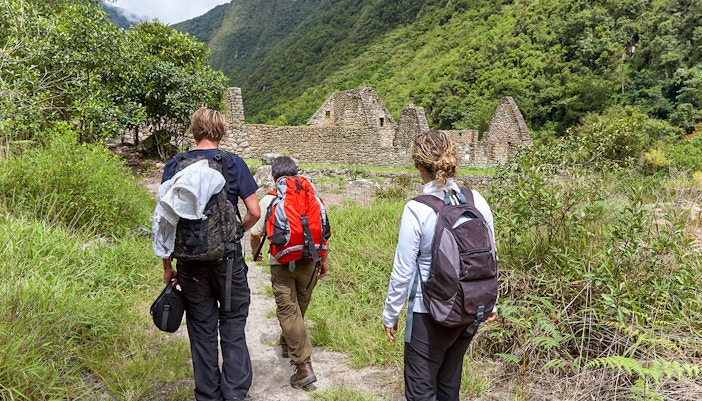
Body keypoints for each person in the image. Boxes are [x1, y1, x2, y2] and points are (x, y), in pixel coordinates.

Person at [382, 130, 497, 401]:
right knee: (448, 386)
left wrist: (391, 315)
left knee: (421, 391)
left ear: (419, 167)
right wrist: (491, 302)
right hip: (471, 309)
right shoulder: (475, 200)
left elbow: (403, 271)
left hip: (428, 313)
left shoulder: (417, 209)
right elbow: (491, 256)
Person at [160, 107, 260, 401]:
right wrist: (234, 233)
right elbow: (254, 212)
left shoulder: (174, 166)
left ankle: (207, 394)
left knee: (201, 327)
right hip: (227, 262)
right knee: (232, 321)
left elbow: (165, 222)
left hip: (189, 264)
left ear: (194, 131)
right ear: (221, 132)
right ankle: (235, 392)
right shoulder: (233, 163)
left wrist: (167, 265)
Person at [249, 155, 329, 389]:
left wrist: (256, 254)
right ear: (295, 173)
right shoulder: (314, 197)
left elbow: (255, 234)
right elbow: (323, 231)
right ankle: (288, 343)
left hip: (282, 263)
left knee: (288, 310)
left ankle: (303, 366)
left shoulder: (270, 200)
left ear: (275, 178)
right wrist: (324, 260)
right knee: (299, 307)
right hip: (310, 261)